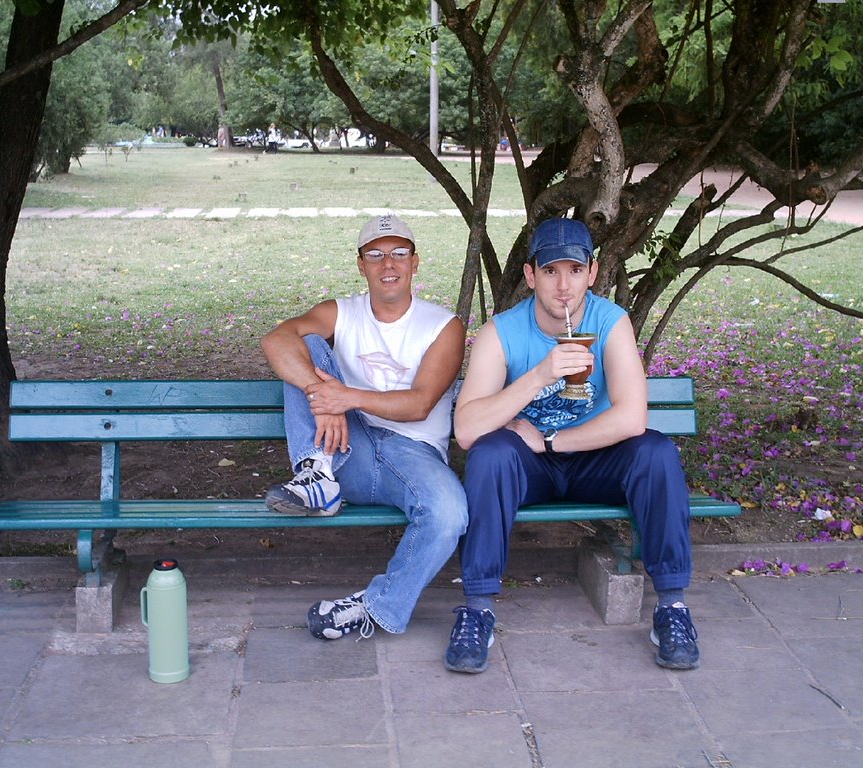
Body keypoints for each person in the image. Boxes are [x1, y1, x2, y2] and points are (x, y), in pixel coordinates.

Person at [445, 217, 700, 673]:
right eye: (550, 271)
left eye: (575, 271)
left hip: (590, 458)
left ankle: (673, 608)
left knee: (656, 452)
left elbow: (631, 418)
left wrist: (549, 439)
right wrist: (541, 375)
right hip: (531, 467)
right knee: (489, 455)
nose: (564, 286)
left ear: (592, 273)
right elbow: (466, 429)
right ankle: (478, 607)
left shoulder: (610, 322)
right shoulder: (500, 332)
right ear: (530, 275)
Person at [261, 214, 468, 641]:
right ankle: (315, 474)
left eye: (398, 253)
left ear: (416, 262)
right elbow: (276, 340)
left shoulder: (443, 326)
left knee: (449, 513)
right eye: (375, 254)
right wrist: (322, 395)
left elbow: (419, 404)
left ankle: (374, 606)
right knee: (309, 344)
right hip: (344, 450)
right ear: (361, 264)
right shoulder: (341, 312)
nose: (387, 264)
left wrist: (346, 398)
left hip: (412, 455)